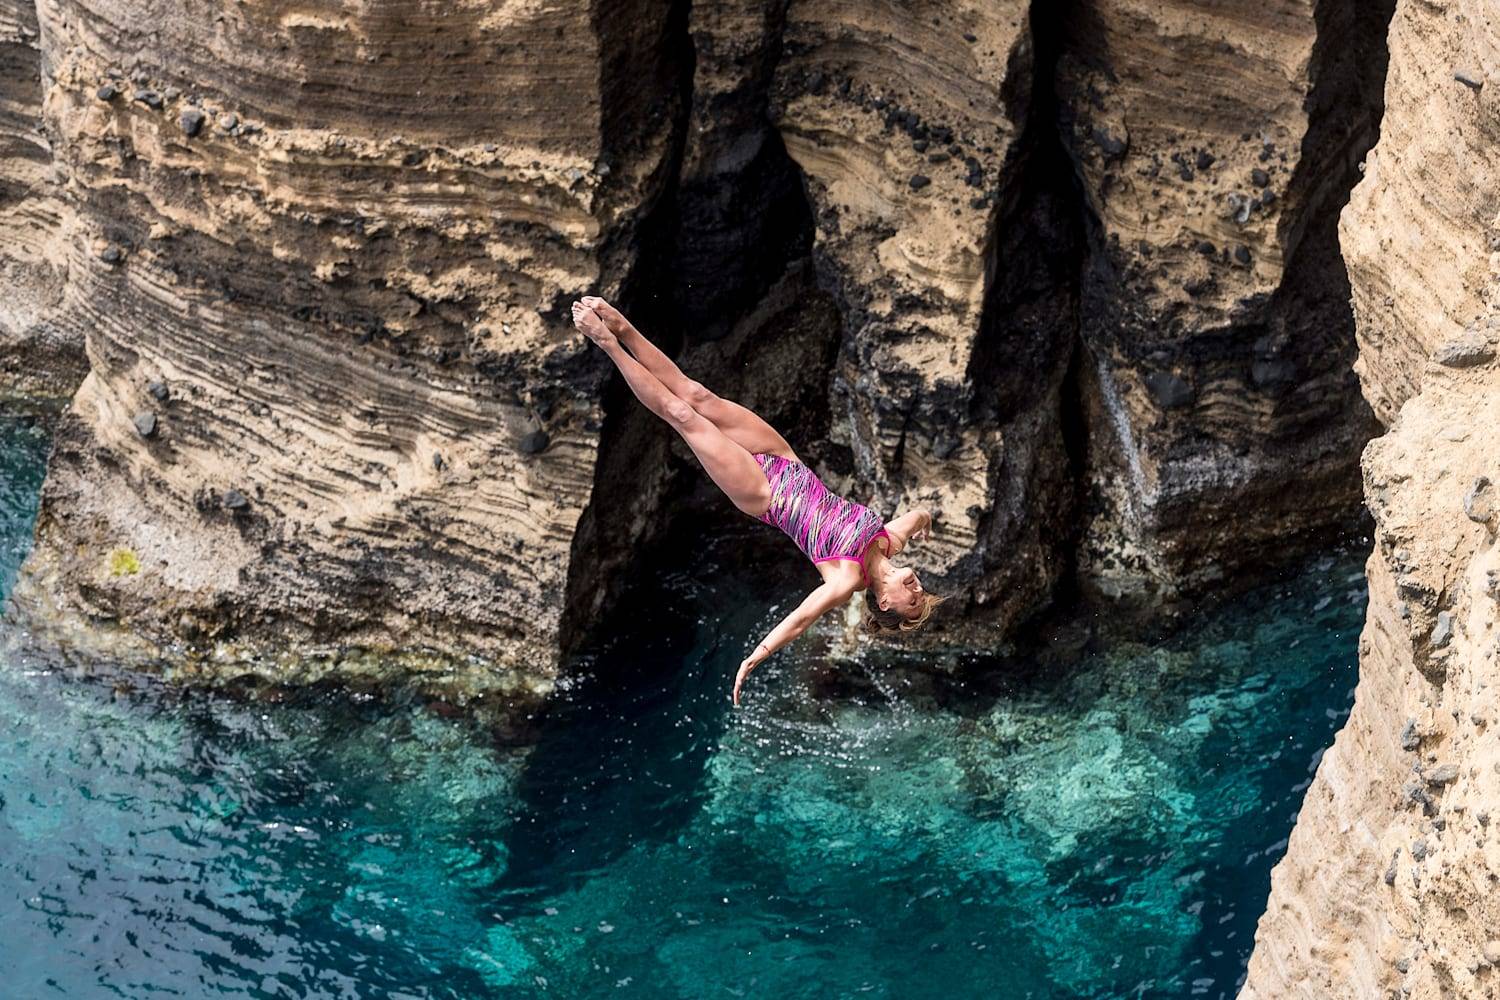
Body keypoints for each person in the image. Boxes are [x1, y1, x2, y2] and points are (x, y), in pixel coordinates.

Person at [570, 297, 945, 706]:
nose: (918, 589)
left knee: (681, 414)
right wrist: (926, 519)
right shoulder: (891, 541)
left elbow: (801, 620)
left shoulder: (846, 581)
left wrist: (756, 656)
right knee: (698, 395)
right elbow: (918, 515)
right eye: (923, 593)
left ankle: (606, 342)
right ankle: (624, 327)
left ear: (886, 601)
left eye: (914, 602)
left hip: (765, 495)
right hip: (786, 461)